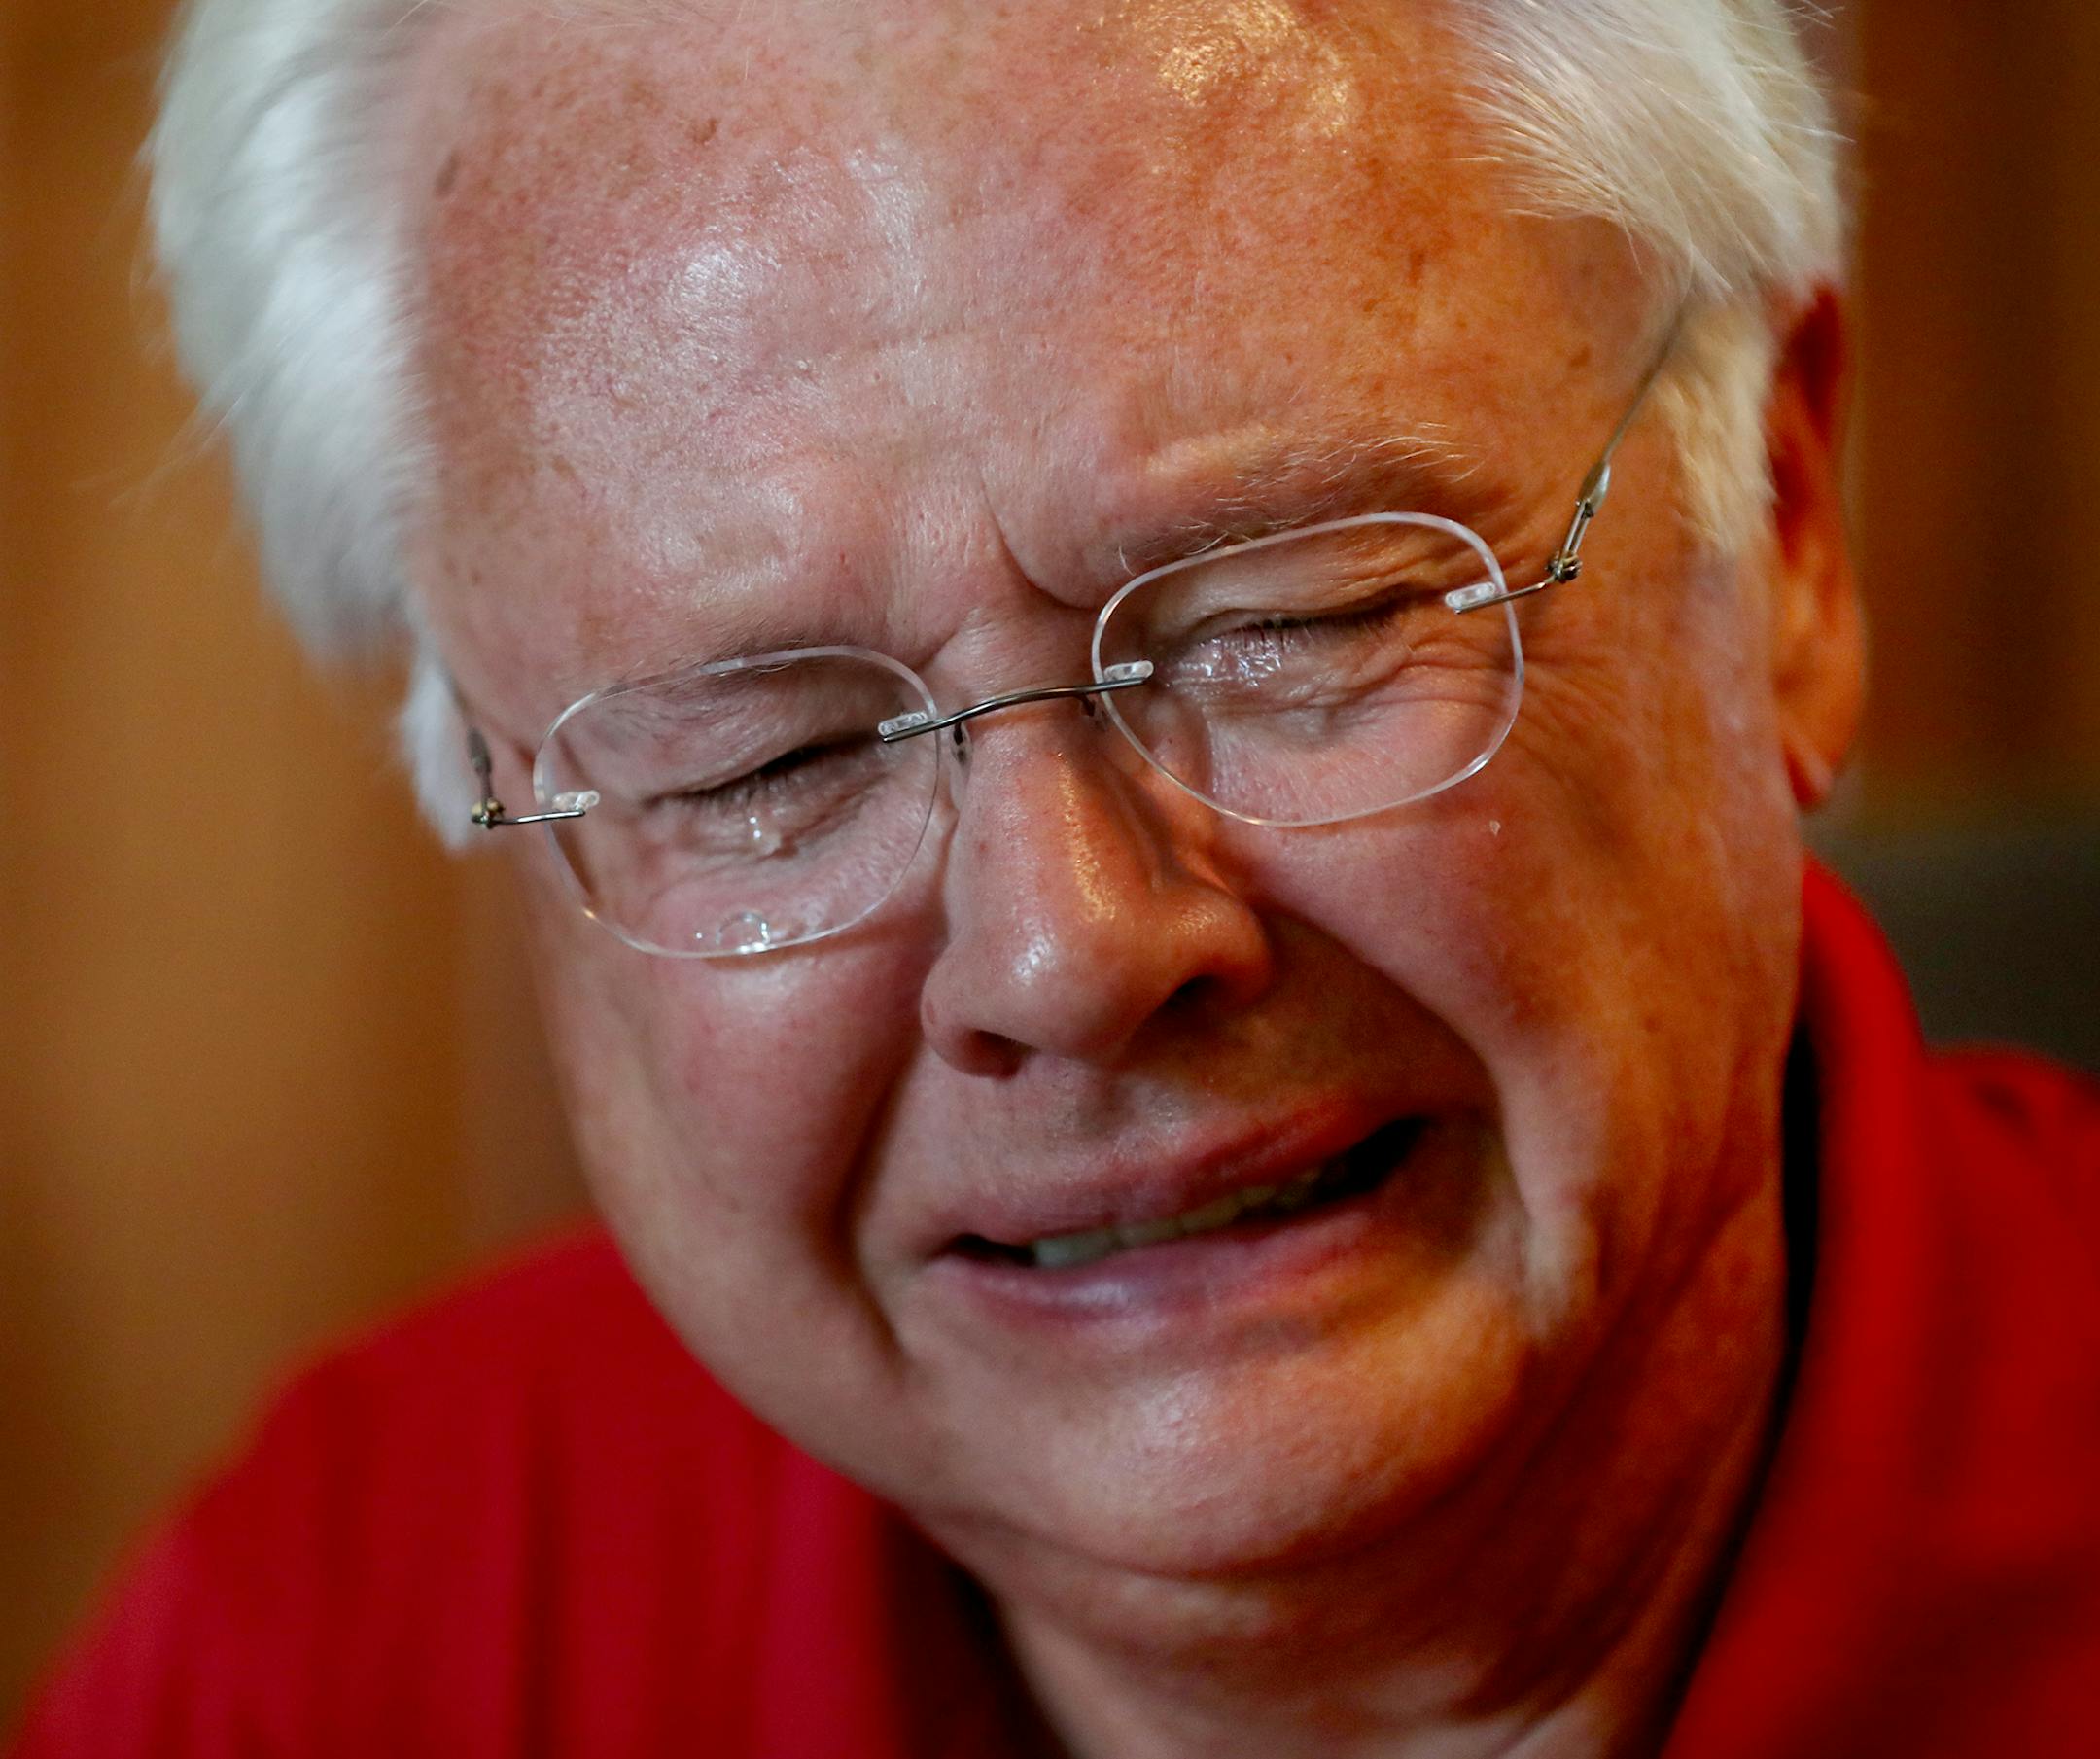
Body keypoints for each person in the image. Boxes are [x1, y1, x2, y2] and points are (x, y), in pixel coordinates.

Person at [13, 2, 2100, 1754]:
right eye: (773, 757)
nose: (1069, 944)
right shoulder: (353, 1643)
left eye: (1289, 620)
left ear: (1786, 541)